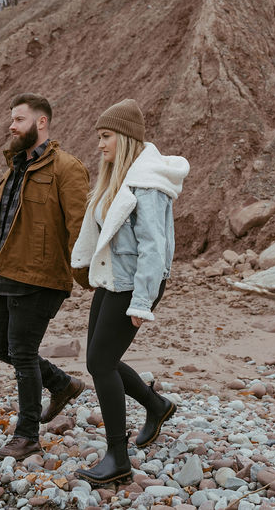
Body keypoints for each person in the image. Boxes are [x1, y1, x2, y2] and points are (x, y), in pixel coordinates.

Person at [69, 99, 189, 486]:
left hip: (135, 284)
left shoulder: (149, 183)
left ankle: (118, 459)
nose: (99, 145)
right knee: (98, 359)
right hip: (113, 280)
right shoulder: (116, 179)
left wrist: (142, 301)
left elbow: (156, 248)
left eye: (105, 137)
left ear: (124, 137)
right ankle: (157, 405)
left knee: (101, 363)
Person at [0, 93, 90, 461]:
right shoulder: (15, 166)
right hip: (7, 272)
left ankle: (26, 437)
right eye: (12, 119)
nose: (12, 125)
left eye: (19, 119)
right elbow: (3, 225)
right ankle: (63, 384)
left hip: (41, 277)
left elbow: (79, 227)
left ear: (41, 122)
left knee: (22, 353)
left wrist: (84, 274)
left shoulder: (67, 168)